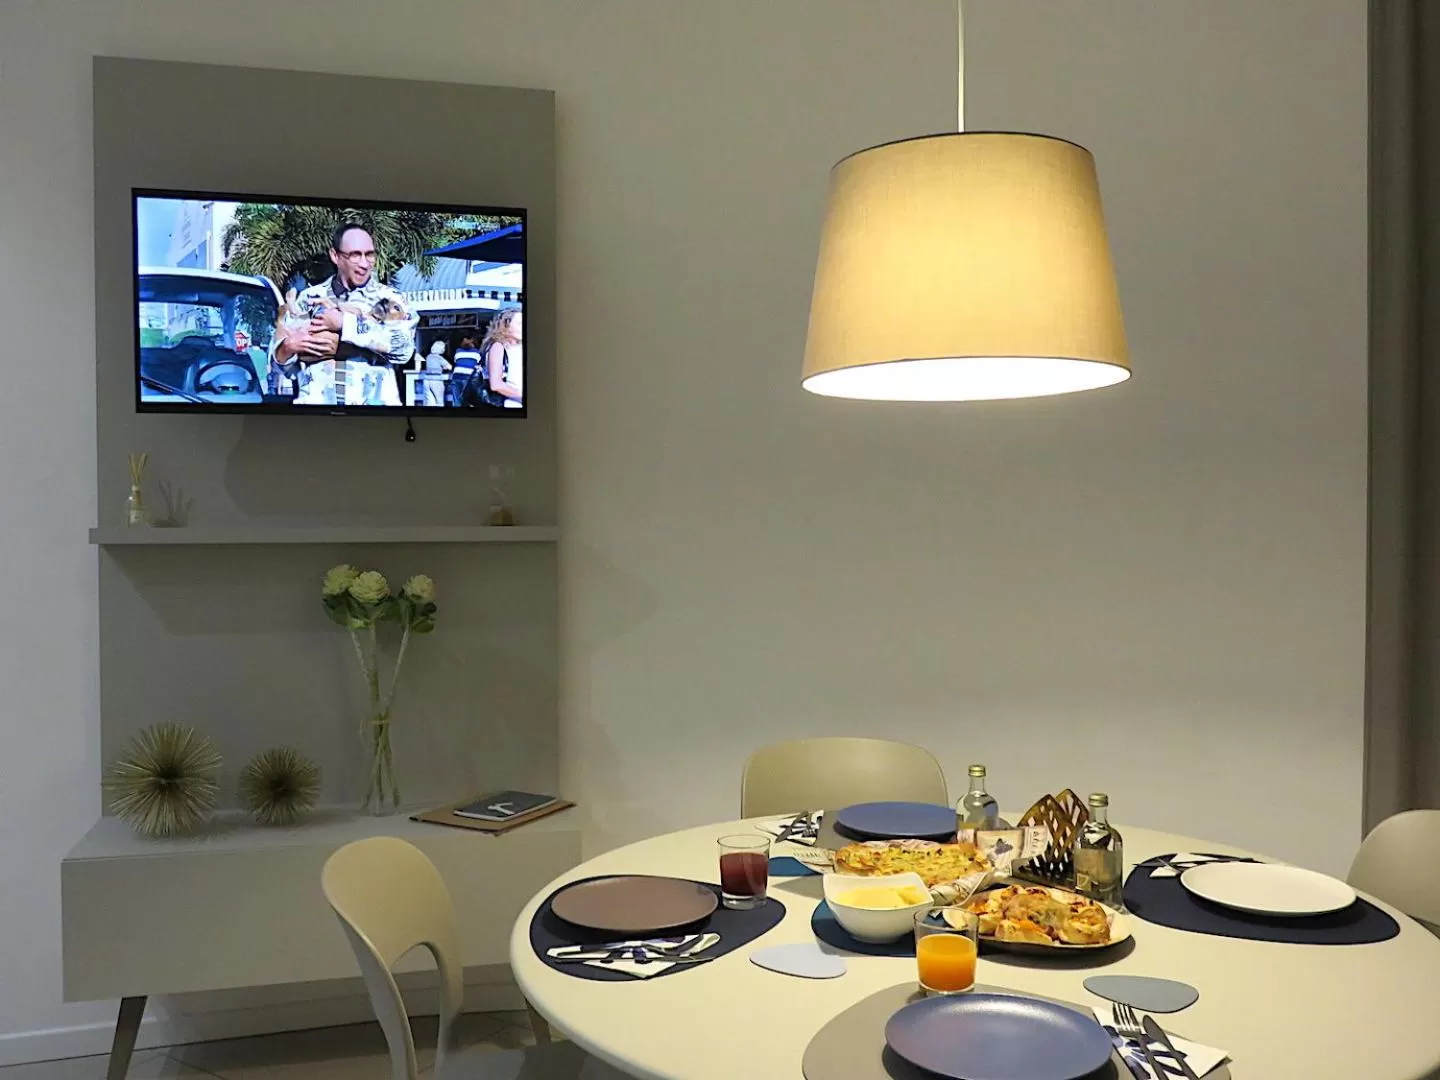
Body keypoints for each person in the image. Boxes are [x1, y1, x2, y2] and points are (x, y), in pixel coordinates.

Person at [269, 223, 419, 407]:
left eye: (369, 254)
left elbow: (403, 349)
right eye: (355, 255)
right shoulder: (309, 298)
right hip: (316, 417)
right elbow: (278, 367)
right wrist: (288, 347)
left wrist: (344, 325)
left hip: (374, 418)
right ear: (335, 256)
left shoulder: (391, 300)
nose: (364, 264)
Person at [476, 309, 524, 409]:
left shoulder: (515, 348)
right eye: (519, 323)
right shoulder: (497, 346)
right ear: (506, 326)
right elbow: (496, 385)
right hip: (510, 404)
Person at [450, 336, 481, 406]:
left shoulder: (458, 351)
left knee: (456, 402)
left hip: (456, 377)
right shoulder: (477, 352)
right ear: (473, 344)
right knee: (468, 402)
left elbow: (456, 361)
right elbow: (479, 364)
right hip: (468, 377)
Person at [420, 340, 451, 407]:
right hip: (436, 380)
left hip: (426, 380)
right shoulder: (439, 358)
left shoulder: (428, 357)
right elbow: (449, 367)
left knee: (430, 403)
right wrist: (443, 368)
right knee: (439, 402)